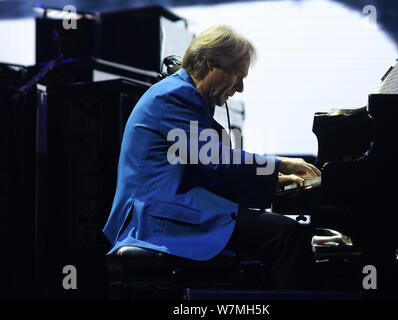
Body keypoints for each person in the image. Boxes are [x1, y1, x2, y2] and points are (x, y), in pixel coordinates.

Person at [102, 25, 321, 290]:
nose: (240, 88)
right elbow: (217, 161)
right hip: (158, 222)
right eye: (238, 75)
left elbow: (211, 168)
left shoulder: (184, 97)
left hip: (175, 210)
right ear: (209, 65)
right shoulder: (175, 96)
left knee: (271, 232)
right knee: (286, 235)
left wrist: (278, 180)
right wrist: (281, 165)